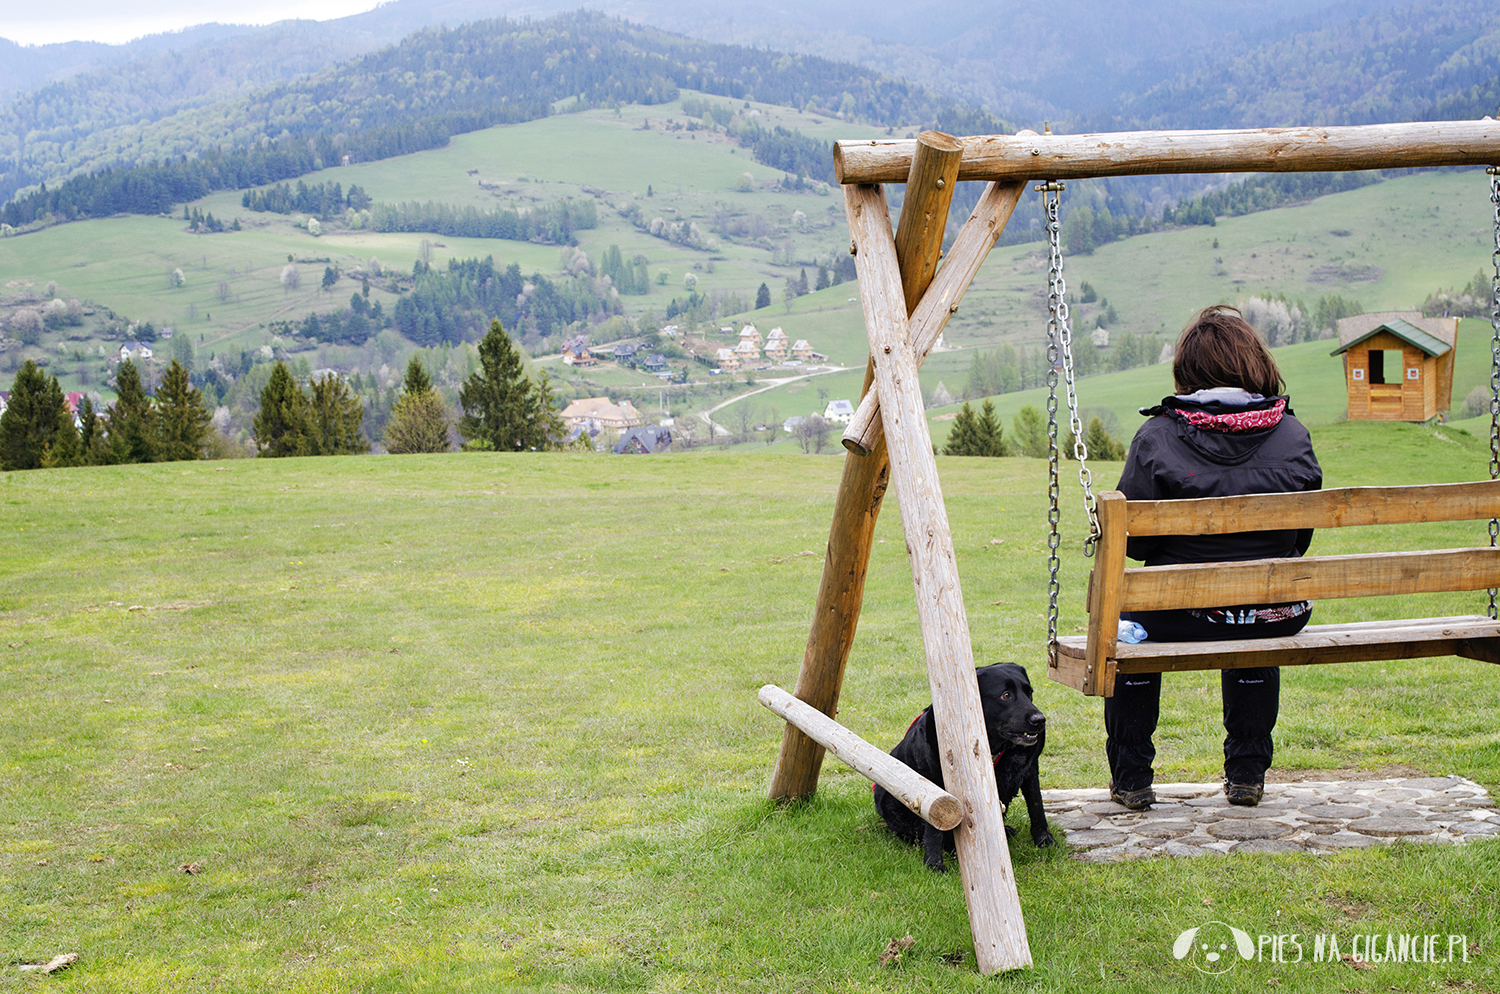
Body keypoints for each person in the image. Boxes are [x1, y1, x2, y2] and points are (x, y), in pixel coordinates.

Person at [1106, 306, 1321, 810]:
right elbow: (1300, 538)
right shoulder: (1293, 435)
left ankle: (1132, 778)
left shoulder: (1156, 437)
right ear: (1254, 364)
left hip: (1178, 616)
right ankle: (1247, 773)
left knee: (1132, 629)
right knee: (1251, 613)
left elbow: (1134, 544)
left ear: (1188, 371)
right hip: (1274, 615)